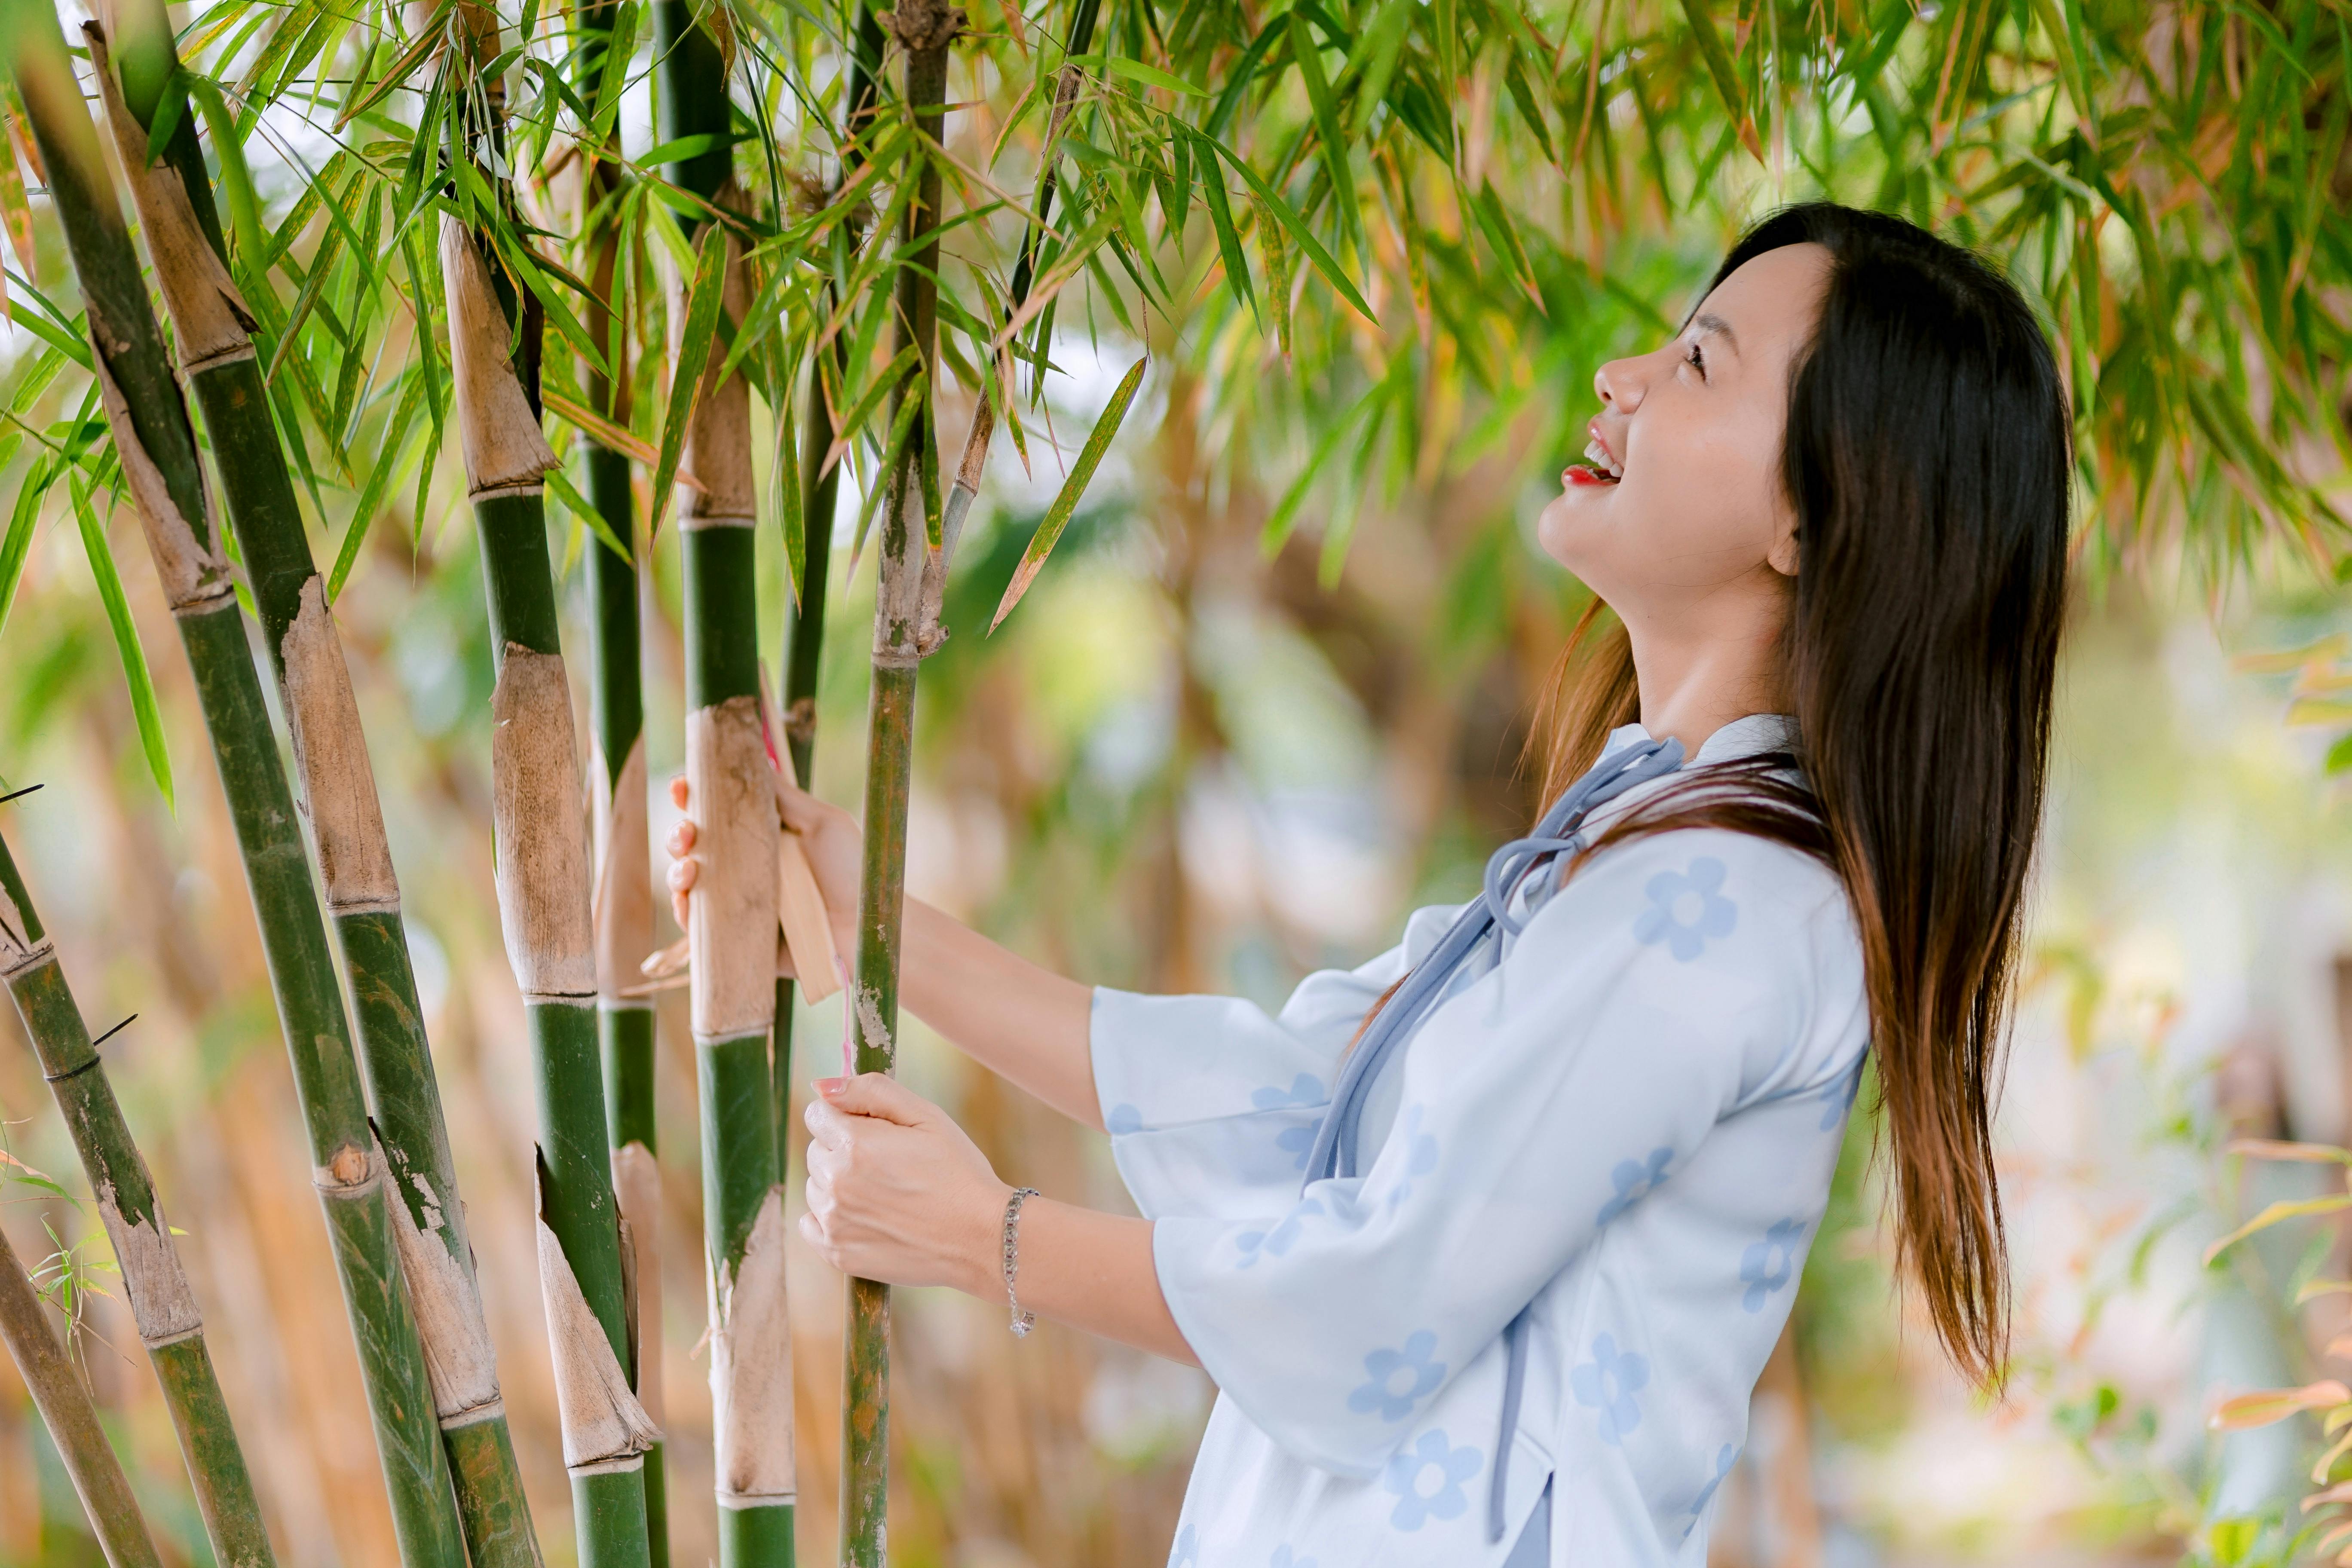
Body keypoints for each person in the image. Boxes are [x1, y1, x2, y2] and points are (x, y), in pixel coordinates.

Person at [665, 201, 2072, 1566]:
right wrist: (868, 924)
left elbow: (1375, 1299)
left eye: (1699, 361)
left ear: (1821, 519)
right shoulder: (1636, 856)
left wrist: (994, 1241)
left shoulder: (1722, 912)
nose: (1622, 378)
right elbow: (1304, 1104)